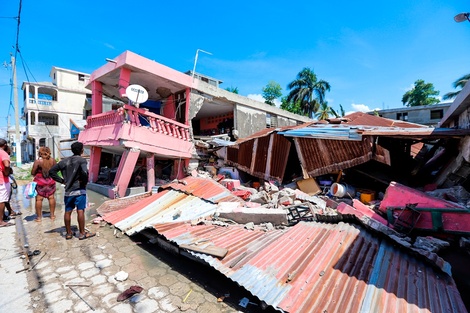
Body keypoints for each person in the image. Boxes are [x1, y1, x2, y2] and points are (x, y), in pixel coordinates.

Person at [49, 142, 95, 240]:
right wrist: (85, 182)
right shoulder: (82, 160)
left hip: (68, 191)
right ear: (82, 150)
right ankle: (82, 233)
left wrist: (62, 181)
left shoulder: (64, 161)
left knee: (68, 211)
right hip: (79, 190)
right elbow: (84, 172)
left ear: (72, 150)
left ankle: (69, 233)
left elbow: (51, 171)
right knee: (80, 210)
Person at [31, 146, 57, 222]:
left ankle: (39, 218)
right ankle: (52, 215)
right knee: (51, 198)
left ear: (40, 153)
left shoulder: (38, 161)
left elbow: (33, 172)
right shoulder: (53, 161)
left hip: (40, 182)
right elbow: (56, 170)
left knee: (39, 199)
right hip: (50, 181)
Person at [0, 139, 13, 227]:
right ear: (4, 145)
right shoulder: (3, 153)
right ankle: (0, 221)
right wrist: (6, 172)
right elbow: (6, 165)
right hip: (2, 180)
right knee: (2, 200)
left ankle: (3, 216)